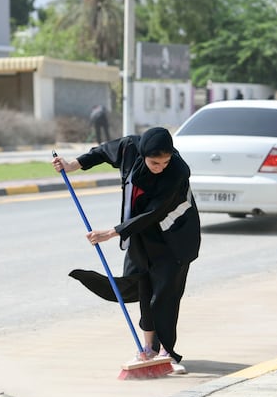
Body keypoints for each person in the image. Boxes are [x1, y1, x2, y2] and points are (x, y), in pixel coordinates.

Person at [53, 127, 201, 372]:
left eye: (165, 161)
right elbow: (101, 152)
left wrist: (112, 232)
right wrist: (72, 165)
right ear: (143, 154)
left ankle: (167, 352)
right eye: (155, 162)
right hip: (141, 234)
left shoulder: (177, 171)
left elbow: (155, 211)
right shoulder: (129, 148)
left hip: (175, 237)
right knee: (143, 286)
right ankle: (148, 350)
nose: (160, 166)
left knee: (165, 292)